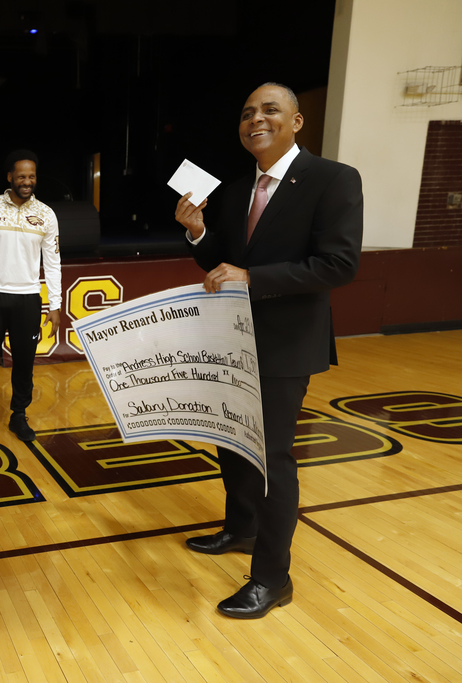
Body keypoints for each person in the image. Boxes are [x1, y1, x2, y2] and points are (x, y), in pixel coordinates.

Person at [175, 82, 363, 618]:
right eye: (247, 113)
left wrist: (253, 276)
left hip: (286, 345)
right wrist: (197, 234)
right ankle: (240, 527)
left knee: (271, 458)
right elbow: (222, 263)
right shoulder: (236, 190)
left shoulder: (334, 179)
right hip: (232, 340)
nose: (255, 119)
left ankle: (272, 578)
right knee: (231, 443)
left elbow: (339, 264)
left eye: (269, 110)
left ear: (297, 121)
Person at [0, 149, 61, 443]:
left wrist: (55, 305)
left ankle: (19, 415)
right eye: (21, 176)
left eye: (31, 176)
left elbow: (53, 262)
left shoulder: (46, 214)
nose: (27, 181)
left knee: (24, 362)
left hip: (28, 299)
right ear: (10, 177)